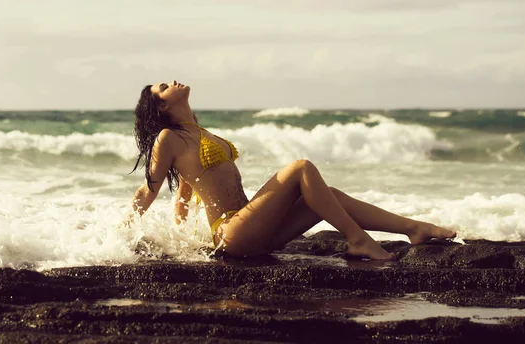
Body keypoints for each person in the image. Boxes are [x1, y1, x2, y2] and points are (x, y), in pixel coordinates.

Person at [128, 80, 456, 260]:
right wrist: (124, 235)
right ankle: (358, 239)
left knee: (329, 197)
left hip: (254, 230)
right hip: (231, 234)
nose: (172, 81)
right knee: (300, 169)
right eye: (163, 86)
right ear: (162, 106)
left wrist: (182, 239)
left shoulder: (198, 132)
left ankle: (413, 228)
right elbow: (150, 189)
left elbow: (185, 192)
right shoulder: (168, 138)